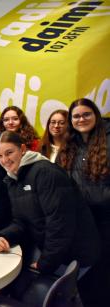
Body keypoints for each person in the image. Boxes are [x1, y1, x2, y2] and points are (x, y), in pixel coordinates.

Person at [0, 131, 99, 296]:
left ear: (22, 149)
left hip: (75, 254)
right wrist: (5, 236)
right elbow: (21, 220)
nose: (4, 160)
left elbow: (60, 224)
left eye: (9, 153)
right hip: (56, 251)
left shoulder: (45, 172)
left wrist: (46, 263)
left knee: (35, 295)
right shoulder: (13, 178)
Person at [58, 98, 110, 306]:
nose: (81, 119)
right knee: (87, 274)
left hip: (106, 219)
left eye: (86, 114)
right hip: (81, 221)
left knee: (104, 273)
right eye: (76, 116)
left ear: (95, 115)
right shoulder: (69, 144)